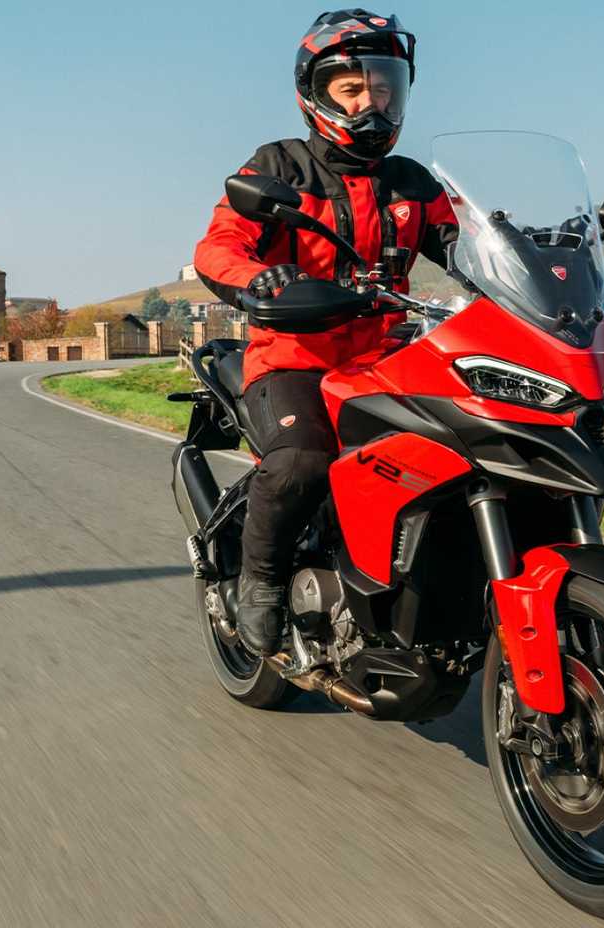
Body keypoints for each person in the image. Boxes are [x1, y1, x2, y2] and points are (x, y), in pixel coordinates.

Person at [192, 9, 458, 656]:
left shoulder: (414, 185)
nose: (374, 102)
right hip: (293, 361)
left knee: (463, 454)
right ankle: (261, 581)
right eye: (354, 88)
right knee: (302, 464)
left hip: (389, 365)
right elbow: (219, 246)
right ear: (314, 93)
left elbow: (470, 247)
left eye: (386, 87)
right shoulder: (279, 168)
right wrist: (256, 281)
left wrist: (544, 260)